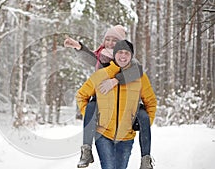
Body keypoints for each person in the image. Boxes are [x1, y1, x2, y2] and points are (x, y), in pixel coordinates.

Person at [64, 26, 154, 169]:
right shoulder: (102, 57)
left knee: (143, 114)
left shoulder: (129, 60)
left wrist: (116, 80)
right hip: (103, 112)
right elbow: (89, 59)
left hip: (125, 125)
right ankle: (86, 149)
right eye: (108, 39)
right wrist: (78, 46)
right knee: (92, 106)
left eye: (115, 40)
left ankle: (146, 158)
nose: (110, 43)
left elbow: (138, 72)